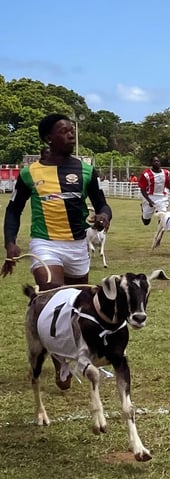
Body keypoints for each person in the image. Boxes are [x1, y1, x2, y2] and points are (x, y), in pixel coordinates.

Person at [3, 114, 113, 389]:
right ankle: (61, 362)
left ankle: (76, 352)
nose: (71, 135)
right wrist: (10, 242)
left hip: (77, 246)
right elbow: (13, 209)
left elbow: (102, 204)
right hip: (45, 244)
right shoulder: (30, 173)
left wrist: (103, 216)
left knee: (78, 306)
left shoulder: (86, 171)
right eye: (64, 131)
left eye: (71, 130)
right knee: (53, 294)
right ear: (48, 139)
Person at [138, 156, 170, 225]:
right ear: (151, 163)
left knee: (163, 218)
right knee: (146, 222)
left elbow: (168, 184)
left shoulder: (166, 173)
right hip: (150, 197)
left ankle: (159, 232)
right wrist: (149, 201)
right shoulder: (146, 174)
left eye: (158, 161)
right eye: (154, 161)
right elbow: (143, 189)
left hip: (162, 197)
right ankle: (143, 209)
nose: (156, 162)